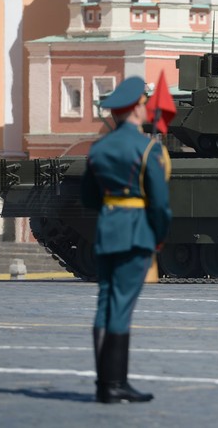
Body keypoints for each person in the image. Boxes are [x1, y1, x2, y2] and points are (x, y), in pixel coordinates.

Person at [81, 76, 172, 404]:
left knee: (105, 303)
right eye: (143, 102)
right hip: (136, 231)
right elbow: (159, 202)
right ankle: (114, 384)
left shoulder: (99, 147)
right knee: (121, 307)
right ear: (135, 108)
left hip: (108, 229)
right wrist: (159, 235)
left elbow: (88, 196)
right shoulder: (148, 147)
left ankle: (103, 384)